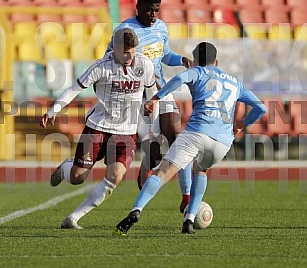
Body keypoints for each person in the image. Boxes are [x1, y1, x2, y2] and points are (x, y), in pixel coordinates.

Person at [114, 42, 267, 235]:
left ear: (195, 61)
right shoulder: (235, 82)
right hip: (222, 142)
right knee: (200, 171)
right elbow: (261, 108)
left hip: (197, 132)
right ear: (216, 61)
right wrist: (241, 125)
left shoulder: (198, 72)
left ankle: (136, 210)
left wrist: (155, 99)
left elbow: (179, 78)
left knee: (163, 172)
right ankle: (189, 220)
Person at [40, 28, 156, 229]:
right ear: (115, 49)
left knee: (115, 176)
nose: (130, 57)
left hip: (126, 133)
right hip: (98, 128)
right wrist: (54, 109)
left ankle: (73, 218)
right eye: (126, 52)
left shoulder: (144, 65)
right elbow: (75, 88)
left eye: (133, 52)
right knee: (77, 178)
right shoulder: (102, 66)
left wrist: (153, 103)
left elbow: (153, 91)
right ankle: (66, 167)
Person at [107, 0, 193, 213]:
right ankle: (147, 164)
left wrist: (181, 59)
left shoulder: (161, 27)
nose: (153, 15)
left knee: (177, 137)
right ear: (138, 7)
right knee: (153, 149)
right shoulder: (125, 30)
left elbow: (165, 55)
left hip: (161, 89)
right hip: (137, 95)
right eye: (149, 10)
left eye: (156, 10)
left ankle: (186, 197)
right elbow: (108, 58)